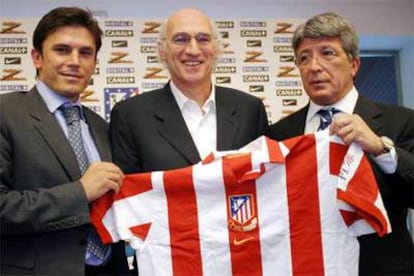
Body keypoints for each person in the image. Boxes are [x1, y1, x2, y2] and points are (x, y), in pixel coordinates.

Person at [269, 12, 413, 275]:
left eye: (327, 53)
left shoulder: (400, 121)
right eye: (304, 58)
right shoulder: (278, 135)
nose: (314, 66)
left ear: (354, 64)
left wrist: (381, 149)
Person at [0, 7, 129, 275]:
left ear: (95, 62)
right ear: (37, 57)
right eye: (62, 50)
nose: (74, 61)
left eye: (85, 53)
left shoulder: (101, 126)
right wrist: (80, 192)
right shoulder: (6, 113)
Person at [110, 7, 269, 174]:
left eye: (203, 39)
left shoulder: (251, 110)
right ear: (162, 51)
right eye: (180, 39)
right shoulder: (130, 116)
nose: (193, 50)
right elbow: (129, 194)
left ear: (216, 49)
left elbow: (267, 184)